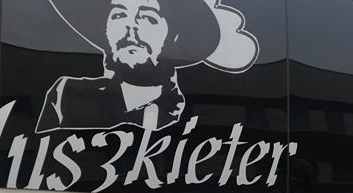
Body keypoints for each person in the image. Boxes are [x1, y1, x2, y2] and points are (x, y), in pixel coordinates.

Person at [36, 0, 259, 133]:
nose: (130, 27)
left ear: (174, 37)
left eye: (147, 18)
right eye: (119, 14)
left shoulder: (190, 117)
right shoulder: (66, 95)